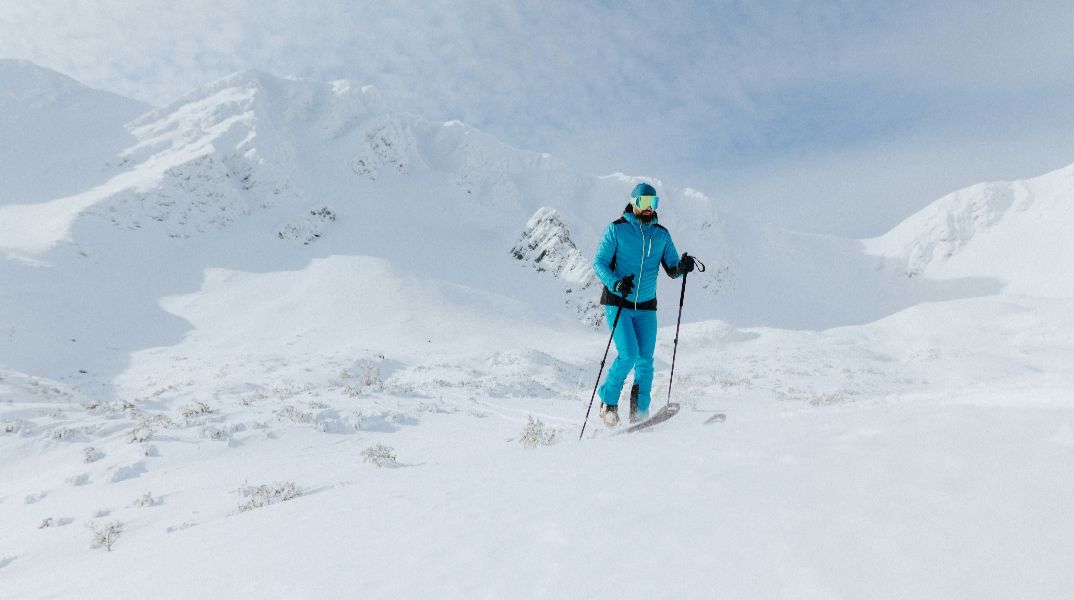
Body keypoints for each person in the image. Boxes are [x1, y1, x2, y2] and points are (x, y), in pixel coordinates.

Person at [593, 182, 695, 426]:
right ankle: (607, 402)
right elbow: (599, 263)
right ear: (634, 203)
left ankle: (640, 415)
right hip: (619, 303)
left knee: (646, 361)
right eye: (644, 203)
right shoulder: (616, 230)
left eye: (653, 203)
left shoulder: (661, 234)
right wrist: (616, 283)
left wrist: (682, 267)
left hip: (647, 307)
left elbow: (672, 268)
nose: (649, 208)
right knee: (628, 355)